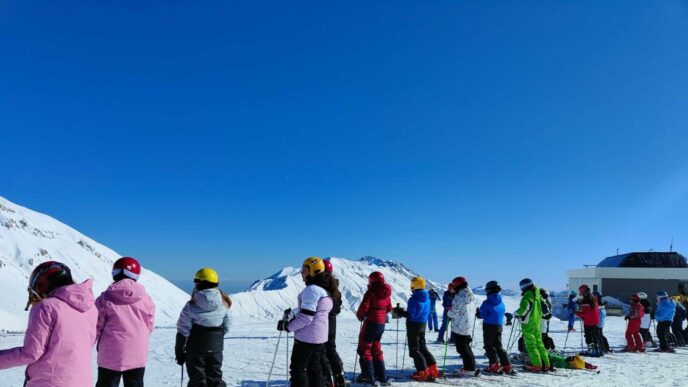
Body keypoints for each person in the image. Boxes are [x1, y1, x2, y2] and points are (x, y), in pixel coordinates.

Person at [0, 261, 98, 386]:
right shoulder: (91, 309)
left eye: (37, 288)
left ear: (43, 284)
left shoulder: (46, 307)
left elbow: (31, 353)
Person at [96, 257, 156, 387]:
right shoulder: (146, 298)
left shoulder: (105, 298)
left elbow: (96, 325)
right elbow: (149, 325)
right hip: (137, 353)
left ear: (114, 273)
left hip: (110, 354)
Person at [277, 257, 337, 387]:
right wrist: (294, 314)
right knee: (314, 368)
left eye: (305, 269)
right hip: (318, 338)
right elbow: (311, 311)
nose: (301, 272)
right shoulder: (324, 289)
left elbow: (306, 317)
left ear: (313, 271)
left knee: (298, 369)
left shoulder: (312, 290)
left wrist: (287, 326)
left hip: (307, 338)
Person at [175, 268, 232, 387]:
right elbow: (227, 325)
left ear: (201, 283)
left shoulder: (191, 305)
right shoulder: (224, 302)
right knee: (215, 379)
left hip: (195, 350)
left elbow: (182, 329)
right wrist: (215, 338)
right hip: (216, 349)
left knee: (197, 380)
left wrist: (179, 351)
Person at [393, 276, 439, 382]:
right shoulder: (427, 297)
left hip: (413, 325)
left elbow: (411, 315)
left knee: (414, 350)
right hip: (422, 324)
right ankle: (432, 369)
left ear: (414, 285)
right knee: (422, 347)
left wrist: (401, 312)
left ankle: (422, 372)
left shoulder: (414, 298)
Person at [355, 271, 392, 386]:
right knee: (376, 349)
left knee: (365, 348)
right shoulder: (386, 294)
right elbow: (389, 308)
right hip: (381, 324)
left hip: (371, 323)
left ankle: (368, 376)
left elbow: (363, 308)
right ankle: (382, 377)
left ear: (372, 281)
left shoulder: (370, 293)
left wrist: (361, 316)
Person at [515, 278, 551, 372]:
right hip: (537, 323)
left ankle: (536, 365)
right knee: (539, 344)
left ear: (523, 287)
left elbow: (524, 309)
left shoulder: (527, 296)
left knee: (531, 345)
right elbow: (546, 309)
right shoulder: (538, 295)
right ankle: (546, 364)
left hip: (528, 324)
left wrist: (517, 313)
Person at [476, 281, 513, 374]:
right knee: (498, 346)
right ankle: (507, 365)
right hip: (499, 326)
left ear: (488, 290)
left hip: (489, 326)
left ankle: (494, 365)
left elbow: (482, 315)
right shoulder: (501, 303)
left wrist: (478, 313)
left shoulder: (487, 302)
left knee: (489, 346)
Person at [320, 259, 346, 387]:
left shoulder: (321, 288)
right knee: (331, 350)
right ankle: (340, 377)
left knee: (322, 352)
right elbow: (337, 308)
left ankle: (327, 381)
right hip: (332, 323)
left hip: (322, 324)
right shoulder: (335, 289)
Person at [446, 276, 476, 374]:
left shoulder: (459, 297)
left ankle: (469, 369)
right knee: (466, 347)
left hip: (460, 325)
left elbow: (454, 311)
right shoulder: (469, 294)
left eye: (454, 286)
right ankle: (470, 366)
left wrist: (448, 313)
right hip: (467, 324)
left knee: (462, 349)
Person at [575, 284, 604, 357]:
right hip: (595, 320)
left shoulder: (586, 300)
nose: (580, 294)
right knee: (594, 335)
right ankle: (598, 350)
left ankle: (591, 350)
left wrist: (576, 312)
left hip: (589, 321)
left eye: (580, 292)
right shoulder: (594, 298)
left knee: (588, 336)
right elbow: (591, 309)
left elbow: (586, 314)